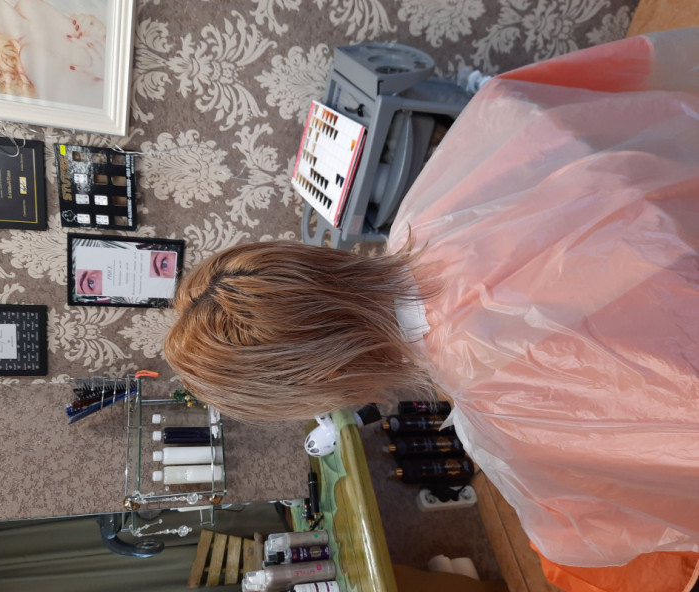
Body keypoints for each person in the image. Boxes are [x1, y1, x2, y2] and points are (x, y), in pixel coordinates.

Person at [164, 29, 699, 592]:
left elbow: (632, 506)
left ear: (326, 378)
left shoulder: (505, 410)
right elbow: (564, 93)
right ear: (304, 263)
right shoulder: (426, 207)